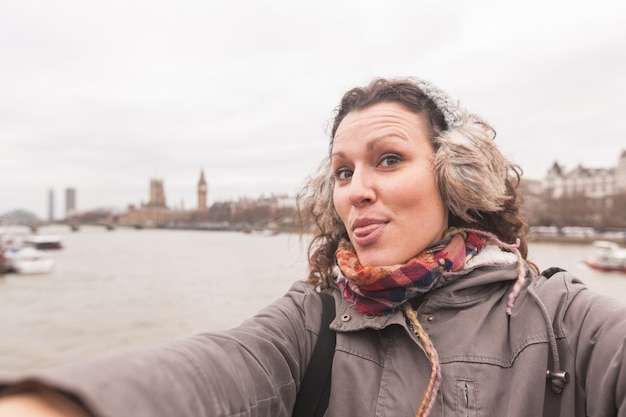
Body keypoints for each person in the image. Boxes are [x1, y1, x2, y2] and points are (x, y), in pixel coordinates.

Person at [1, 77, 626, 417]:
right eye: (344, 172)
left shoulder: (563, 318)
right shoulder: (313, 323)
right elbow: (217, 372)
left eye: (388, 159)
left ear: (454, 175)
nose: (357, 190)